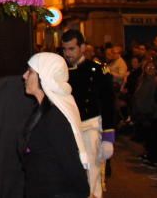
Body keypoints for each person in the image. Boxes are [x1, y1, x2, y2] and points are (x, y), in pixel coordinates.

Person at [20, 52, 90, 198]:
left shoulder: (55, 117)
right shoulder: (40, 111)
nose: (24, 76)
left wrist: (85, 193)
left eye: (30, 72)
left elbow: (70, 162)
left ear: (44, 76)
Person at [61, 29, 116, 197]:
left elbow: (108, 102)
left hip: (90, 126)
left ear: (82, 47)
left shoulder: (98, 70)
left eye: (72, 49)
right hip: (68, 128)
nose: (67, 53)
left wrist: (108, 136)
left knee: (92, 170)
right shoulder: (60, 70)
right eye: (64, 49)